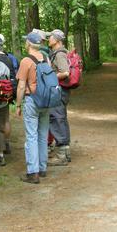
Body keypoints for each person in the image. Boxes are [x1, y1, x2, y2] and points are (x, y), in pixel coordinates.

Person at [16, 32, 50, 184]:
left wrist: (18, 104)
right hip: (46, 100)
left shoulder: (26, 61)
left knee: (31, 136)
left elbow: (21, 85)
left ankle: (33, 173)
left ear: (29, 44)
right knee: (43, 135)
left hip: (32, 100)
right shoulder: (46, 58)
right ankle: (42, 168)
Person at [47, 29, 71, 166]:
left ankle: (62, 155)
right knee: (61, 118)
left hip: (59, 91)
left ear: (57, 40)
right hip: (61, 91)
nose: (49, 38)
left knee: (57, 119)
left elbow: (65, 72)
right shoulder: (59, 53)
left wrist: (49, 77)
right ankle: (65, 152)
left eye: (51, 37)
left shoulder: (60, 54)